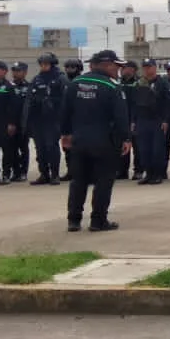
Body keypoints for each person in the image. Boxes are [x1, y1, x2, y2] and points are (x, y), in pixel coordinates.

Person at [60, 49, 132, 232]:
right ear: (107, 65)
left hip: (79, 141)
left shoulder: (75, 84)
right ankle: (98, 221)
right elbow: (121, 116)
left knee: (78, 181)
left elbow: (65, 112)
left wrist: (65, 134)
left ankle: (73, 220)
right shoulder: (112, 87)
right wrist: (126, 138)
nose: (118, 70)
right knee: (103, 182)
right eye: (117, 66)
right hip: (105, 142)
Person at [128, 58, 170, 185]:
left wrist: (166, 120)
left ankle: (157, 174)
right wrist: (133, 120)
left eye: (149, 67)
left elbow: (169, 103)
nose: (147, 69)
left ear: (155, 68)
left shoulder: (162, 83)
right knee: (143, 149)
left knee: (157, 149)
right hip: (142, 120)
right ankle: (148, 174)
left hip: (157, 120)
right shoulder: (139, 83)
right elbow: (134, 104)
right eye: (145, 67)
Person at [27, 53, 67, 186]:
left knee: (51, 147)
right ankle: (44, 174)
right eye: (42, 64)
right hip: (38, 119)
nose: (43, 66)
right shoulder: (37, 79)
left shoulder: (60, 78)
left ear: (52, 64)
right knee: (40, 148)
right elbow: (30, 97)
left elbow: (65, 100)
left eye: (46, 64)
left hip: (53, 118)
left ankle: (54, 175)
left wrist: (52, 103)